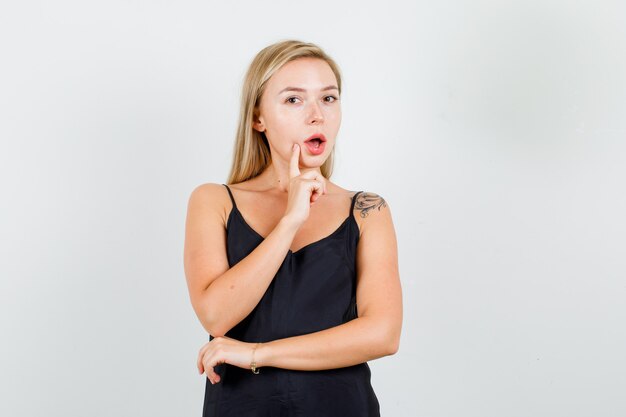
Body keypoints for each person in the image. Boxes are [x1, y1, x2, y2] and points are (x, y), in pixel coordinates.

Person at [183, 39, 403, 416]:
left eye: (328, 98)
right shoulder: (214, 201)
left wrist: (257, 353)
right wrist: (290, 221)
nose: (317, 115)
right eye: (293, 100)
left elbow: (383, 335)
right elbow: (217, 315)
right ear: (258, 118)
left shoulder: (368, 210)